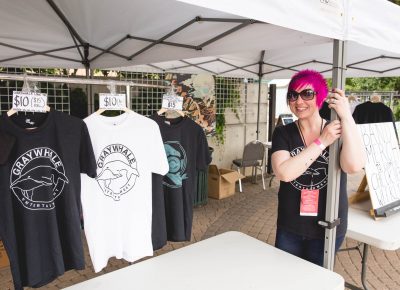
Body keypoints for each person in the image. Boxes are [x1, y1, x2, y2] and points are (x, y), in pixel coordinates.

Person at [271, 69, 366, 266]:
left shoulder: (337, 129)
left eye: (307, 94)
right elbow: (284, 172)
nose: (299, 101)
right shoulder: (283, 133)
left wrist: (346, 116)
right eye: (293, 95)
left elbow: (354, 165)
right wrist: (322, 142)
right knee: (285, 277)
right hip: (291, 225)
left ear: (320, 97)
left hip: (328, 225)